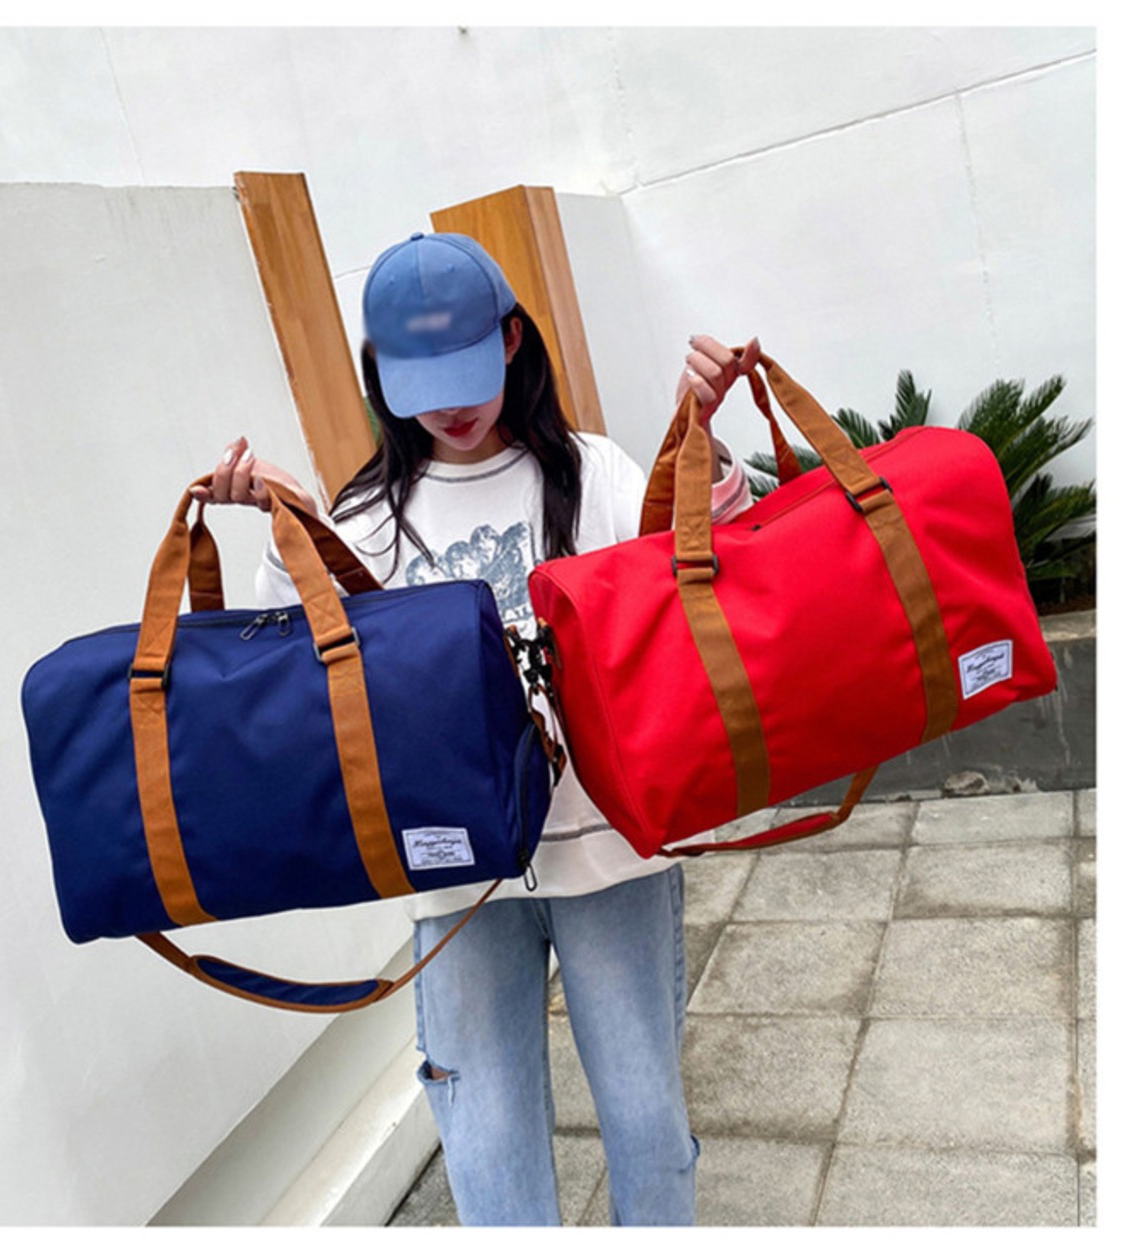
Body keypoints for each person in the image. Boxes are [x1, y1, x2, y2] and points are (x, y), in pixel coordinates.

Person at [194, 231, 757, 1226]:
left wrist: (701, 449)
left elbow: (686, 590)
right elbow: (305, 672)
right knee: (488, 1153)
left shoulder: (590, 472)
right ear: (378, 373)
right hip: (454, 874)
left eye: (465, 372)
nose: (450, 408)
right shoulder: (369, 515)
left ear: (510, 341)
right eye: (418, 383)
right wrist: (289, 525)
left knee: (646, 1124)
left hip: (608, 851)